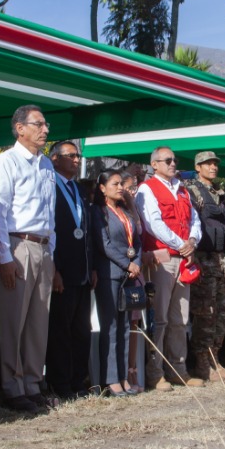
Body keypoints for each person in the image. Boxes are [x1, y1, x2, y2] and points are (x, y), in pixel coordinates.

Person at [0, 105, 58, 413]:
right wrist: (4, 257)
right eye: (38, 124)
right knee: (13, 320)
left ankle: (32, 382)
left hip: (43, 247)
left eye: (45, 124)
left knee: (38, 322)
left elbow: (50, 213)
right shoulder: (6, 161)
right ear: (20, 128)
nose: (45, 129)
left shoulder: (46, 164)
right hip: (18, 244)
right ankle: (12, 386)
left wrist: (51, 251)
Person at [136, 146, 205, 390]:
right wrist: (181, 244)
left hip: (183, 258)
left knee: (180, 318)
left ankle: (178, 369)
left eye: (175, 160)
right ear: (154, 164)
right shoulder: (147, 188)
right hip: (162, 259)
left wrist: (192, 241)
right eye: (168, 160)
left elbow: (194, 220)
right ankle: (155, 373)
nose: (173, 163)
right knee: (160, 317)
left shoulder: (182, 189)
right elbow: (153, 224)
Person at [46, 140, 96, 400]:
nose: (77, 160)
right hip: (62, 271)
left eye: (78, 155)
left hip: (83, 271)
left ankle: (79, 381)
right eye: (71, 155)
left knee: (81, 330)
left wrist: (92, 266)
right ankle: (60, 383)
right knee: (60, 330)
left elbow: (87, 230)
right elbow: (49, 230)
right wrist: (54, 268)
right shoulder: (49, 186)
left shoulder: (78, 188)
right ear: (55, 158)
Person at [185, 151, 225, 382]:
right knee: (205, 312)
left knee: (221, 313)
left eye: (215, 163)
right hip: (204, 258)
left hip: (221, 259)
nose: (213, 167)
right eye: (208, 164)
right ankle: (202, 363)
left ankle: (215, 359)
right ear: (198, 167)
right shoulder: (191, 189)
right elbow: (197, 218)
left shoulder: (219, 191)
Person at [91, 169, 143, 396]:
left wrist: (136, 262)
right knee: (111, 326)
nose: (120, 187)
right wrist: (127, 264)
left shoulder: (125, 211)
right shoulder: (98, 212)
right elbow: (104, 244)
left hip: (129, 275)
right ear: (102, 188)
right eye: (115, 184)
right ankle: (111, 379)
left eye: (122, 183)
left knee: (125, 327)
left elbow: (136, 241)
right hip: (110, 274)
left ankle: (123, 377)